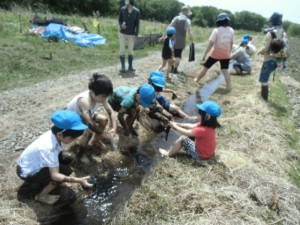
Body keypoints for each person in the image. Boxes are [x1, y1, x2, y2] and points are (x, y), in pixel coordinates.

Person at [16, 110, 94, 205]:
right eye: (72, 138)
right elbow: (55, 175)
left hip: (30, 164)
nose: (74, 140)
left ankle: (53, 184)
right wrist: (79, 180)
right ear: (60, 134)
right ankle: (41, 196)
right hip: (27, 172)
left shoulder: (54, 133)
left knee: (67, 158)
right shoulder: (48, 147)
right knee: (64, 172)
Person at [66, 73, 117, 164]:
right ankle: (81, 154)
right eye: (104, 96)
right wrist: (104, 134)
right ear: (93, 93)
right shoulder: (84, 100)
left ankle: (96, 141)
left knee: (104, 120)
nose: (105, 99)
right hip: (73, 119)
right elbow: (90, 123)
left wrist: (113, 128)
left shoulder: (100, 97)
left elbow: (111, 112)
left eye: (106, 96)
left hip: (86, 115)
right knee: (89, 131)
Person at [194, 13, 234, 90]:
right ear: (227, 21)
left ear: (218, 21)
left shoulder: (216, 30)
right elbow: (231, 43)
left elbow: (211, 43)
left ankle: (197, 79)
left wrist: (205, 54)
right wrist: (230, 52)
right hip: (226, 54)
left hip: (216, 53)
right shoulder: (231, 30)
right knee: (225, 70)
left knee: (206, 67)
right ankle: (228, 86)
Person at [258, 12, 287, 101]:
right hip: (279, 60)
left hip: (269, 59)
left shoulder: (270, 33)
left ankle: (264, 98)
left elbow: (266, 48)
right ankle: (264, 96)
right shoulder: (283, 33)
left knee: (263, 79)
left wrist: (259, 52)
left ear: (272, 21)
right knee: (267, 77)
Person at [168, 5, 194, 74]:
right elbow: (189, 31)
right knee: (178, 54)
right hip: (181, 39)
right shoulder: (187, 20)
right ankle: (175, 69)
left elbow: (170, 26)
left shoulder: (176, 18)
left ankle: (172, 67)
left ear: (181, 11)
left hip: (173, 38)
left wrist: (165, 35)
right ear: (187, 12)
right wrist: (192, 39)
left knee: (172, 53)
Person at [118, 0, 140, 73]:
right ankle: (123, 67)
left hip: (131, 34)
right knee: (122, 50)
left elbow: (137, 24)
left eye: (127, 1)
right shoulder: (122, 9)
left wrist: (136, 35)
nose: (125, 2)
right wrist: (121, 25)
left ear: (130, 2)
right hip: (122, 33)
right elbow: (119, 20)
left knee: (130, 51)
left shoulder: (137, 11)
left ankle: (130, 66)